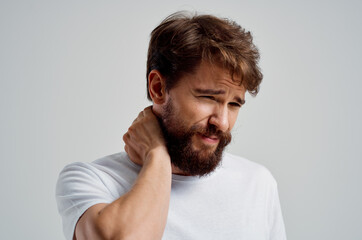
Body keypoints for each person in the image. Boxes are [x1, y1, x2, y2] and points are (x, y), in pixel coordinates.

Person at [56, 11, 287, 240]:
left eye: (234, 104)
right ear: (158, 88)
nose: (223, 122)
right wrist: (156, 155)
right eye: (208, 97)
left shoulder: (258, 183)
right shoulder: (94, 180)